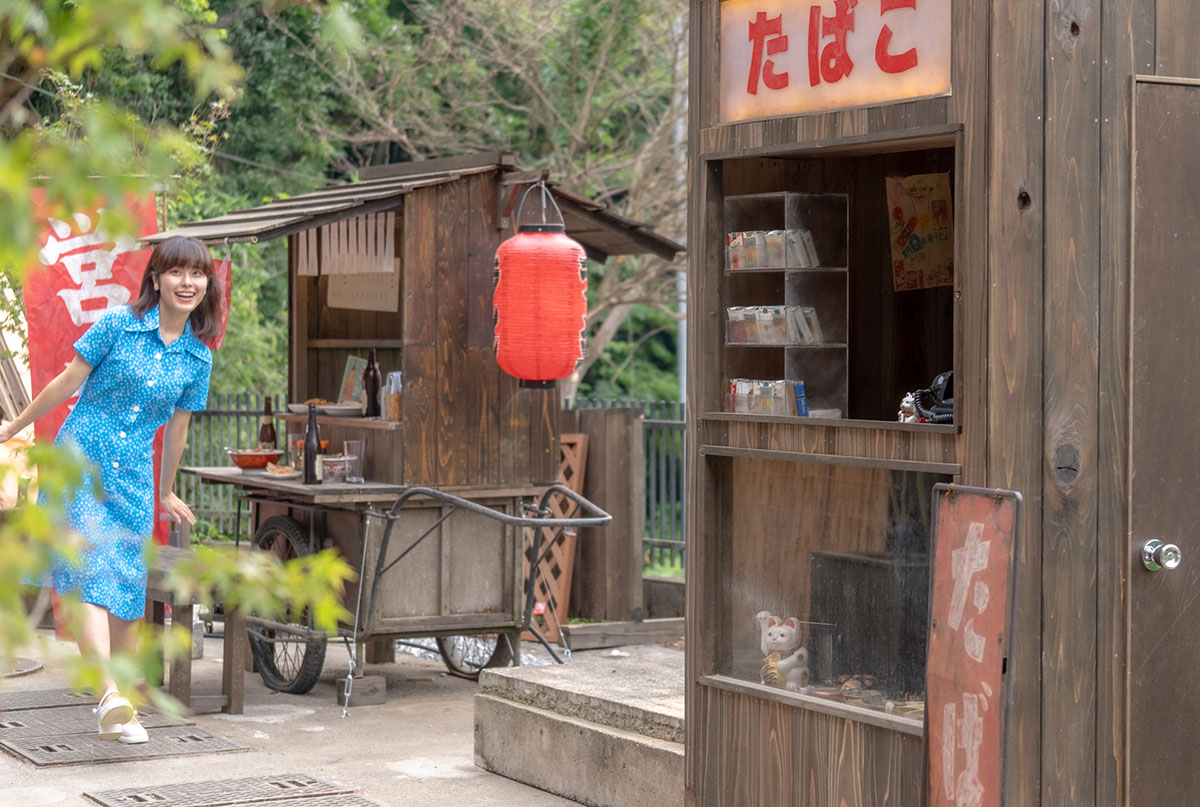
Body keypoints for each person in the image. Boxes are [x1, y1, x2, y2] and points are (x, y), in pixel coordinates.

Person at [0, 235, 219, 744]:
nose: (187, 283)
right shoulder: (119, 325)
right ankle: (107, 697)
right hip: (79, 461)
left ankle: (124, 702)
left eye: (197, 274)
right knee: (90, 570)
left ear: (207, 285)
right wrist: (14, 427)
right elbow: (65, 382)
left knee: (126, 591)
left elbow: (179, 428)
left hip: (134, 478)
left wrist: (165, 490)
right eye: (176, 272)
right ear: (156, 279)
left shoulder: (196, 358)